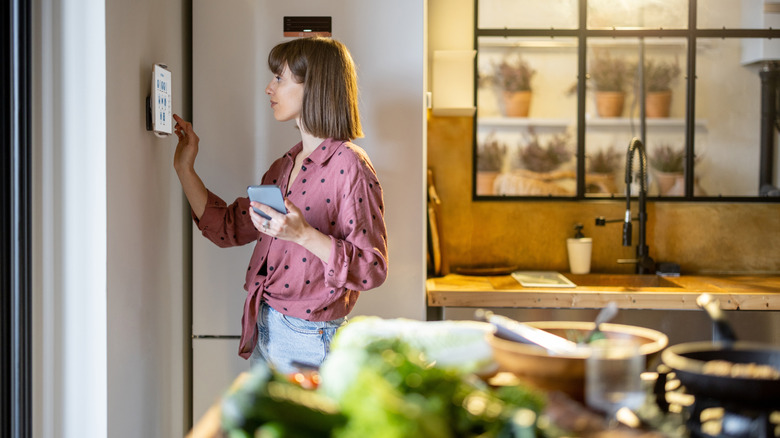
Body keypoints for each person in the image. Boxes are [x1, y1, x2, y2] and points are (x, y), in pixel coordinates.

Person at [172, 37, 388, 374]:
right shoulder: (284, 166)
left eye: (279, 78)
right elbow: (228, 228)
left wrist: (303, 234)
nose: (269, 88)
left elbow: (371, 267)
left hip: (310, 337)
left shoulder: (350, 165)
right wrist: (184, 168)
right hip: (266, 325)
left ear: (313, 86)